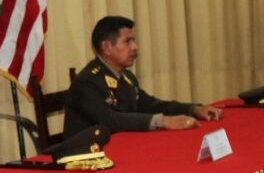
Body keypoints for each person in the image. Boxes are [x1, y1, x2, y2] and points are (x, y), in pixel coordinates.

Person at [63, 15, 223, 138]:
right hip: (87, 162)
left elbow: (151, 105)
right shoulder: (87, 82)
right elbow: (109, 120)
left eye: (134, 40)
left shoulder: (126, 77)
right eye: (127, 42)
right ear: (107, 47)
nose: (135, 47)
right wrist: (162, 121)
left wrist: (193, 109)